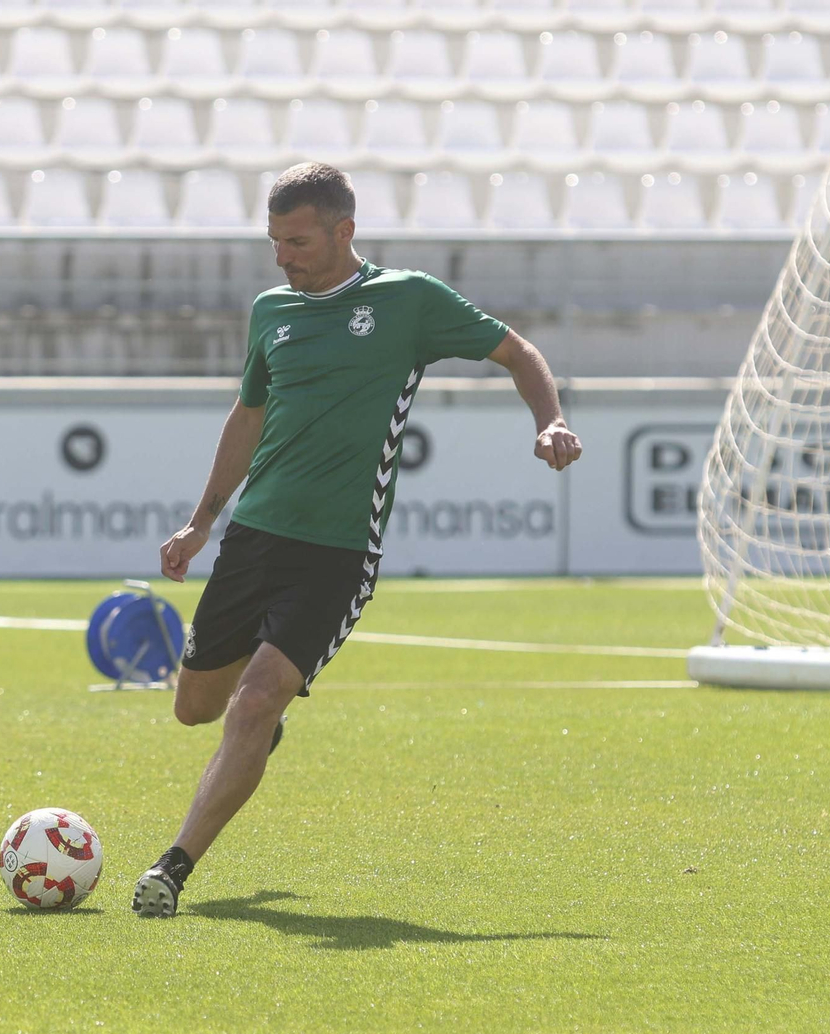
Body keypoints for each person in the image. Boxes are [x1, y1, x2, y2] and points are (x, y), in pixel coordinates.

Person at [132, 162, 583, 917]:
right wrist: (202, 521)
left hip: (338, 554)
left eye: (299, 241)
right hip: (254, 539)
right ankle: (256, 741)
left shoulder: (407, 302)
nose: (284, 257)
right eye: (275, 242)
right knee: (195, 709)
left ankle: (172, 869)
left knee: (255, 701)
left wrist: (550, 420)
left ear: (345, 231)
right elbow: (248, 417)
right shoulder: (270, 310)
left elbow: (517, 352)